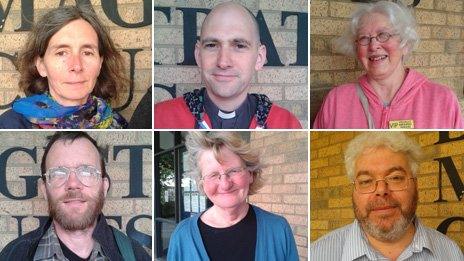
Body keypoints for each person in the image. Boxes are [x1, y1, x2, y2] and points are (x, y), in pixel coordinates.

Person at [310, 132, 464, 260]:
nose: (381, 190)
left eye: (395, 178)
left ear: (415, 184)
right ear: (354, 190)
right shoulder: (317, 254)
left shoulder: (451, 253)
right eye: (366, 181)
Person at [0, 132, 150, 260]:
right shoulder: (13, 255)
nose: (73, 183)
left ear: (104, 187)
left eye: (86, 171)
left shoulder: (136, 255)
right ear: (44, 189)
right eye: (59, 173)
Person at [313, 1, 464, 129]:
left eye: (383, 35)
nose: (373, 46)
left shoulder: (442, 100)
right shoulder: (336, 101)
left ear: (405, 43)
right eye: (364, 38)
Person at [154, 2, 301, 129]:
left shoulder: (287, 124)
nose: (223, 62)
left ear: (259, 58)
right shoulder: (159, 118)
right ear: (199, 55)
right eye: (212, 45)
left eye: (239, 46)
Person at [167, 132, 299, 260]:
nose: (225, 184)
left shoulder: (278, 229)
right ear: (202, 183)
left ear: (251, 174)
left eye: (234, 171)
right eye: (213, 175)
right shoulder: (182, 237)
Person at [0, 5, 128, 129]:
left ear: (100, 63)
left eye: (87, 53)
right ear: (42, 65)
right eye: (61, 53)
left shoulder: (118, 124)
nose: (77, 66)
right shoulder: (9, 125)